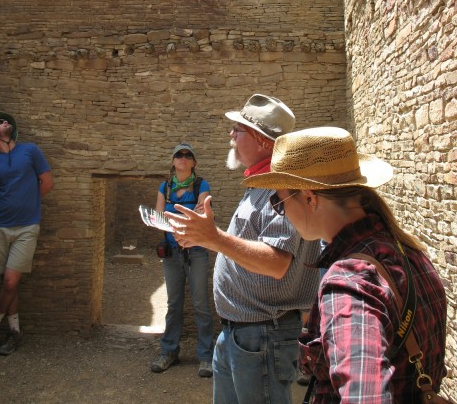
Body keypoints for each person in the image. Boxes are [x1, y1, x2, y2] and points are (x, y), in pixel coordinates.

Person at [245, 126, 448, 403]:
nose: (280, 211)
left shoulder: (349, 281)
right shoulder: (408, 250)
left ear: (309, 197)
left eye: (278, 202)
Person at [169, 94, 321, 404]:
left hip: (262, 335)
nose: (230, 136)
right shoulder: (260, 184)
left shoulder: (283, 188)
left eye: (238, 130)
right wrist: (203, 235)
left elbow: (277, 263)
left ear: (263, 141)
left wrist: (214, 239)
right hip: (242, 335)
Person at [0, 110, 54, 356]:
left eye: (6, 120)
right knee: (8, 285)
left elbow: (47, 183)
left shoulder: (30, 151)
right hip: (0, 226)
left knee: (10, 281)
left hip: (27, 227)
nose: (4, 122)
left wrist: (28, 203)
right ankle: (15, 332)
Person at [150, 142, 214, 378]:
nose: (183, 158)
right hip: (172, 251)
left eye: (188, 155)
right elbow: (158, 218)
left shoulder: (201, 185)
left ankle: (206, 356)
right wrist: (176, 224)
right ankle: (169, 351)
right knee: (174, 304)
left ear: (194, 162)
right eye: (179, 154)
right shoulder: (164, 187)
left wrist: (172, 221)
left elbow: (201, 215)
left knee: (201, 305)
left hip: (196, 250)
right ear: (173, 160)